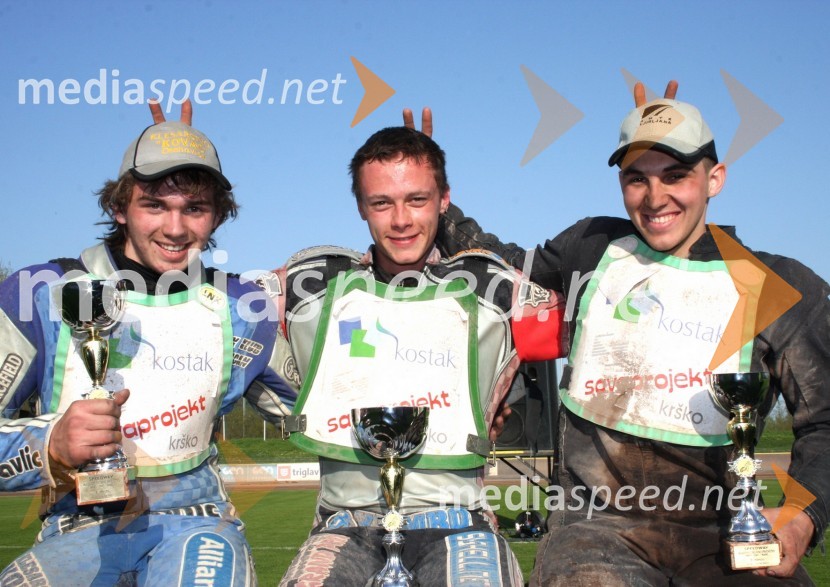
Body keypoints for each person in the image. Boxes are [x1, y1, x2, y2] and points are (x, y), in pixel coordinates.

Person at [435, 86, 829, 585]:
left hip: (724, 532)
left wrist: (801, 517)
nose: (655, 197)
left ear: (716, 179)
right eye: (636, 179)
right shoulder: (592, 247)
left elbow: (825, 423)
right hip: (596, 533)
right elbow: (500, 265)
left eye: (676, 175)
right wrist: (435, 197)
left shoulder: (781, 286)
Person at [0, 105, 297, 585]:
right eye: (154, 204)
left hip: (197, 521)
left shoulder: (245, 308)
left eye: (194, 208)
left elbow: (322, 419)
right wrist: (50, 445)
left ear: (218, 215)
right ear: (119, 207)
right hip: (76, 528)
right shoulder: (39, 292)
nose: (176, 229)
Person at [274, 125, 567, 585]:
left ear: (445, 199)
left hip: (457, 521)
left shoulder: (495, 289)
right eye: (382, 203)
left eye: (417, 199)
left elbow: (606, 319)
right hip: (344, 523)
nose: (401, 220)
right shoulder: (306, 288)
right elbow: (215, 327)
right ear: (360, 207)